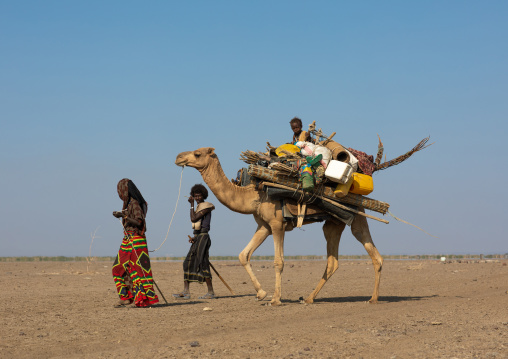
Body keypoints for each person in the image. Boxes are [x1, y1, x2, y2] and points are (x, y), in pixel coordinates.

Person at [112, 178, 159, 307]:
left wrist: (124, 216)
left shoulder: (135, 204)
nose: (120, 194)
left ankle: (141, 299)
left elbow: (139, 222)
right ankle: (126, 297)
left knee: (137, 270)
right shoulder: (128, 205)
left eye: (120, 191)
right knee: (117, 267)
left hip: (137, 239)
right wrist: (122, 214)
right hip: (127, 239)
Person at [173, 184, 216, 300]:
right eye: (195, 196)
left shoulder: (206, 207)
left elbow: (193, 219)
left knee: (203, 264)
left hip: (203, 238)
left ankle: (211, 292)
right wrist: (194, 238)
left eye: (199, 196)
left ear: (203, 196)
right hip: (197, 238)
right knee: (187, 263)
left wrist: (191, 205)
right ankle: (186, 291)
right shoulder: (198, 207)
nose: (197, 198)